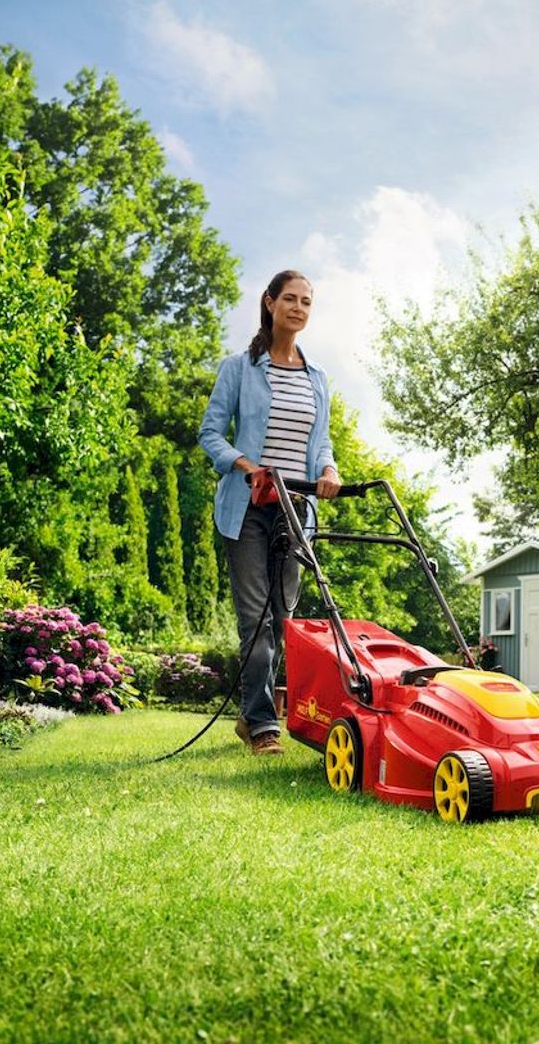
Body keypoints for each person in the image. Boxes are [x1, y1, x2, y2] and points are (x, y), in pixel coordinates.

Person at [198, 270, 341, 755]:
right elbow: (211, 434)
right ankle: (263, 727)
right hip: (248, 509)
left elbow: (320, 443)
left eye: (307, 301)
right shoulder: (240, 368)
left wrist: (328, 469)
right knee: (255, 621)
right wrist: (244, 464)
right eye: (290, 299)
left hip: (296, 509)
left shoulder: (317, 378)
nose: (298, 308)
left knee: (286, 620)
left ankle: (252, 713)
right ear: (270, 302)